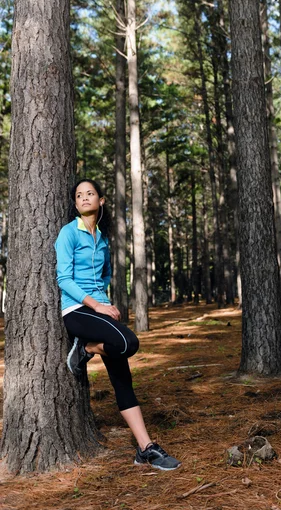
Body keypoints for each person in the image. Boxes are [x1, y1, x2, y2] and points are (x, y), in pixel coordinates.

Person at [55, 178, 181, 471]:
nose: (85, 198)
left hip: (99, 308)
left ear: (101, 201)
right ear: (75, 204)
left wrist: (106, 302)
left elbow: (105, 275)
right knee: (128, 343)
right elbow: (64, 279)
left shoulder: (103, 237)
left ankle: (145, 448)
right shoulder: (68, 233)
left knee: (123, 380)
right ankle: (86, 347)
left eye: (90, 193)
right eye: (79, 195)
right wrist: (96, 304)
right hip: (76, 310)